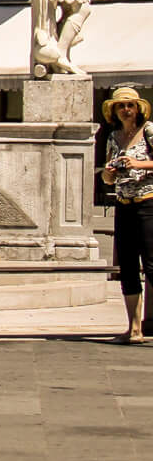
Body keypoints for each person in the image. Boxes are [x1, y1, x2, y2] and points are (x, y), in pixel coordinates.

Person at [103, 84, 153, 343]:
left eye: (129, 105)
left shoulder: (149, 131)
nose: (125, 110)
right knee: (129, 266)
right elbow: (107, 176)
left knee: (152, 264)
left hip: (148, 203)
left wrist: (140, 163)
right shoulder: (113, 137)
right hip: (123, 204)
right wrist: (108, 174)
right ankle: (134, 329)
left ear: (138, 109)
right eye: (120, 106)